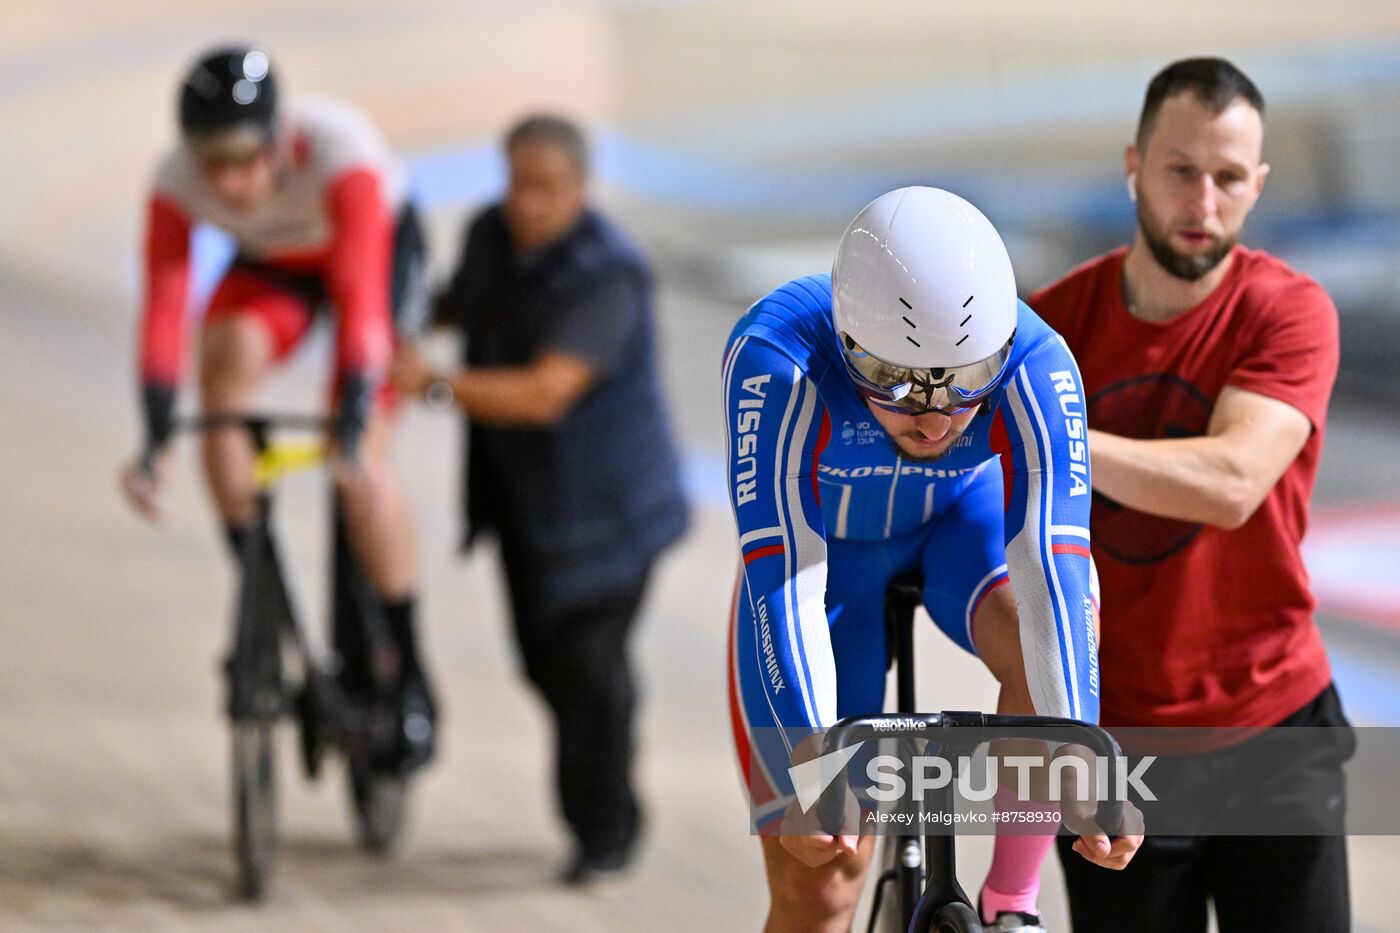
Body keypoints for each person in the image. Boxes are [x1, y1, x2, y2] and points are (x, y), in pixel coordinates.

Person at [723, 186, 1141, 933]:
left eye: (968, 380)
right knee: (820, 884)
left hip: (956, 526)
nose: (935, 415)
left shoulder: (1041, 363)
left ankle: (1012, 901)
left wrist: (1086, 755)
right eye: (894, 382)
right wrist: (814, 760)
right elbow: (782, 579)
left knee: (1034, 639)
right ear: (847, 341)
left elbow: (1057, 569)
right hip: (823, 562)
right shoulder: (776, 358)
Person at [1030, 57, 1353, 932]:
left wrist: (1052, 437)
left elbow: (1234, 481)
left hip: (1274, 728)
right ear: (1133, 162)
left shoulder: (1287, 312)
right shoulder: (1053, 330)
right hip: (1118, 747)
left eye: (1229, 178)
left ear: (1260, 185)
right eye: (1180, 171)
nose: (1203, 203)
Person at [118, 45, 437, 772]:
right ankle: (255, 574)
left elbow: (361, 306)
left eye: (242, 160)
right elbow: (165, 313)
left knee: (362, 463)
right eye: (210, 162)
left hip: (372, 260)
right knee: (221, 375)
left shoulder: (339, 150)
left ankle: (409, 671)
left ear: (280, 136)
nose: (226, 184)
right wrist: (154, 434)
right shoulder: (174, 181)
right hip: (276, 267)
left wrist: (357, 421)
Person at [392, 114, 689, 884]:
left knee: (590, 669)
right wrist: (391, 319)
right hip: (525, 503)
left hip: (613, 513)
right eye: (519, 184)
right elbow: (461, 302)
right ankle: (599, 797)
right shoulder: (491, 233)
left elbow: (543, 392)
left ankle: (604, 827)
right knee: (542, 662)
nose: (529, 203)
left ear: (582, 189)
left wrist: (429, 383)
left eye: (547, 189)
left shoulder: (608, 272)